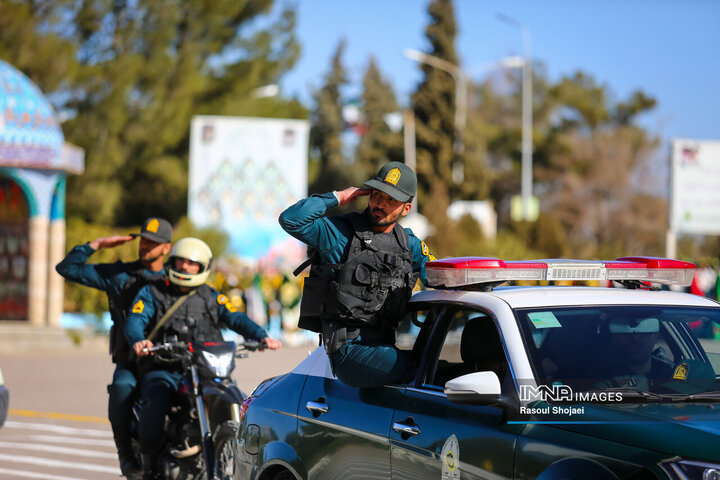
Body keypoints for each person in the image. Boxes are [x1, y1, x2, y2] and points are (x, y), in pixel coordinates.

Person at [125, 237, 281, 479]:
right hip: (166, 366)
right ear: (171, 262)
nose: (185, 267)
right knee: (155, 401)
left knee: (236, 396)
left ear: (203, 267)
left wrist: (261, 336)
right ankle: (149, 466)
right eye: (180, 261)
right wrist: (139, 339)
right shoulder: (153, 291)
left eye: (192, 263)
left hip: (205, 366)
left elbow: (235, 317)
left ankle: (229, 448)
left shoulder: (210, 295)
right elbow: (136, 319)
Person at [279, 161, 436, 388]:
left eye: (391, 199)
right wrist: (338, 197)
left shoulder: (408, 244)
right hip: (348, 351)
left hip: (385, 349)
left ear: (406, 208)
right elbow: (291, 219)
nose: (381, 204)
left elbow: (440, 278)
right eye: (377, 195)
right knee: (420, 370)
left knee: (437, 368)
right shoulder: (339, 233)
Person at [55, 217, 173, 477]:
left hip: (170, 360)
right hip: (130, 358)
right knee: (121, 388)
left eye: (153, 243)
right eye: (143, 240)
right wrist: (96, 244)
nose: (145, 246)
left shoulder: (176, 278)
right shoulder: (119, 275)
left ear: (167, 248)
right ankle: (126, 455)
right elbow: (67, 268)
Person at [598, 316, 674, 390]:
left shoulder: (670, 374)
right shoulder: (599, 382)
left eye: (645, 328)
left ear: (656, 336)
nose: (635, 337)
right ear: (613, 337)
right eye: (624, 329)